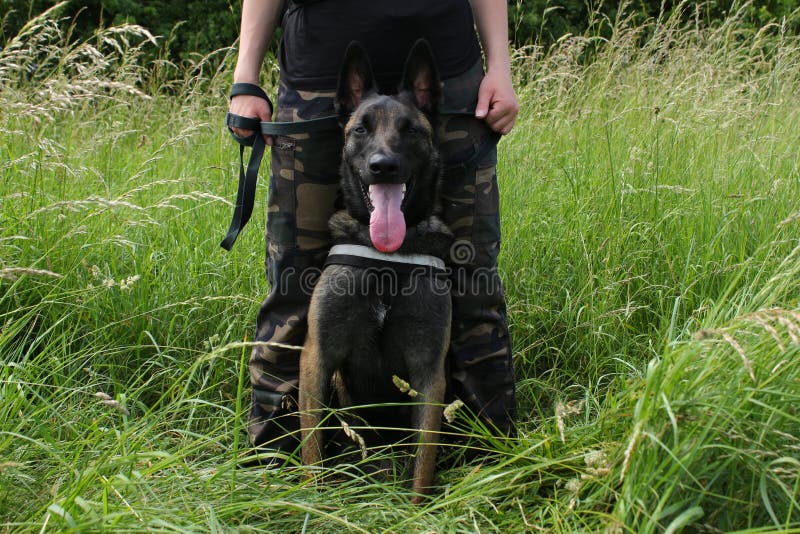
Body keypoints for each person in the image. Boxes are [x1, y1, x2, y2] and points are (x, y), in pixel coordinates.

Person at [228, 0, 519, 460]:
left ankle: (487, 459)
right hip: (317, 82)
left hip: (450, 74)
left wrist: (500, 65)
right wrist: (246, 76)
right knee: (294, 283)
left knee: (472, 280)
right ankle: (275, 461)